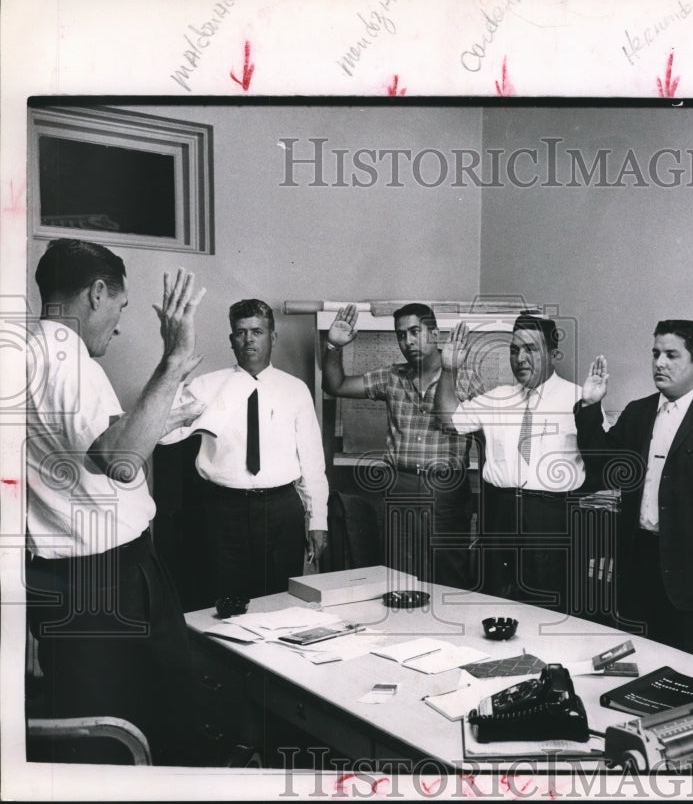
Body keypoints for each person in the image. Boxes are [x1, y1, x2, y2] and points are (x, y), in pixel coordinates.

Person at [25, 238, 205, 765]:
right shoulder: (67, 359)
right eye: (120, 308)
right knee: (148, 723)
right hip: (110, 581)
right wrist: (173, 360)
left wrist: (161, 415)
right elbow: (120, 461)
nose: (118, 324)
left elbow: (89, 441)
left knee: (99, 725)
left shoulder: (27, 350)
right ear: (97, 293)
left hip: (64, 581)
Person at [574, 320, 693, 664]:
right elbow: (602, 466)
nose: (660, 363)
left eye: (672, 355)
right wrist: (590, 406)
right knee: (638, 665)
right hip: (638, 563)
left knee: (691, 671)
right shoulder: (638, 412)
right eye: (656, 354)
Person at [163, 299, 328, 600]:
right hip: (222, 511)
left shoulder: (295, 390)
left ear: (272, 337)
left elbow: (313, 464)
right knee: (222, 602)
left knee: (280, 601)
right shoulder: (206, 386)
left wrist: (318, 521)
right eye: (240, 332)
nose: (248, 339)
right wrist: (174, 373)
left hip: (281, 511)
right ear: (231, 340)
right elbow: (165, 437)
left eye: (257, 331)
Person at [321, 302, 484, 589]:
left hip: (446, 488)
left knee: (449, 576)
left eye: (414, 332)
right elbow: (336, 386)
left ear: (434, 335)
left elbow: (487, 439)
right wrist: (334, 347)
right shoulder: (391, 376)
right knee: (400, 577)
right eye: (400, 335)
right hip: (400, 484)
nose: (407, 342)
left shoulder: (467, 379)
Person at [435, 314, 588, 614]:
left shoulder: (579, 400)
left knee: (549, 607)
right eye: (514, 350)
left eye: (530, 349)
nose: (520, 358)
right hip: (500, 515)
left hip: (551, 519)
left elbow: (598, 463)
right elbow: (448, 417)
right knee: (496, 603)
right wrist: (449, 369)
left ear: (553, 354)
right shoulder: (497, 398)